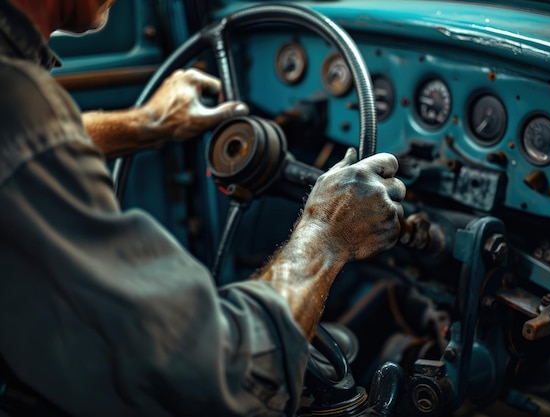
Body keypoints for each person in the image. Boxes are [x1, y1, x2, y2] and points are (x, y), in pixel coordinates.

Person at [0, 0, 406, 416]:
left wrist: (143, 124)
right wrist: (325, 233)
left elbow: (38, 141)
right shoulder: (19, 101)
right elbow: (224, 376)